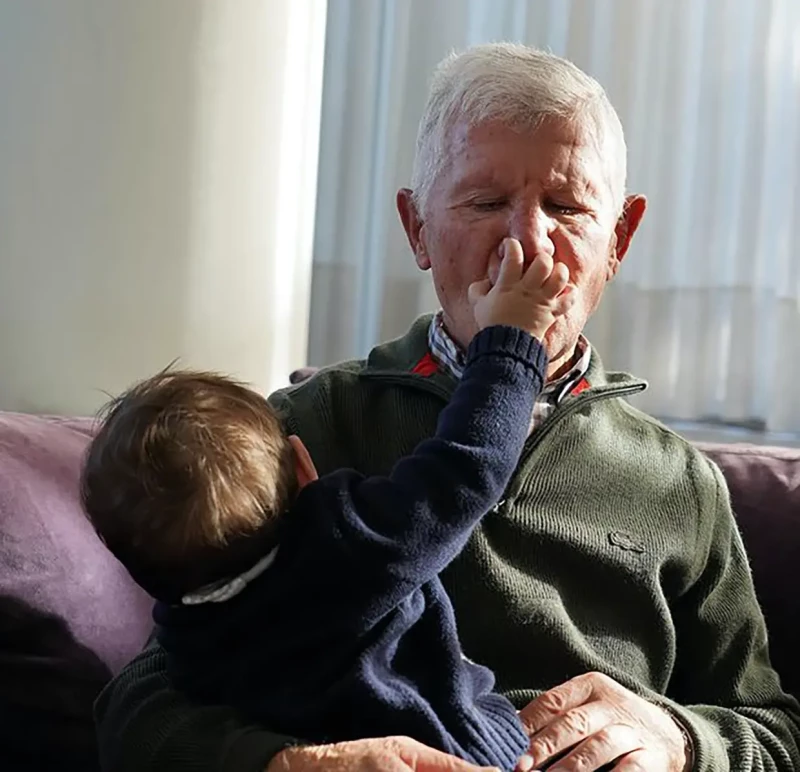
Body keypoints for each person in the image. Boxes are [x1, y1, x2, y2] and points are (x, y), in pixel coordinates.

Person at [95, 43, 800, 772]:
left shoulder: (679, 482)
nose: (527, 240)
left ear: (618, 237)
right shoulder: (305, 430)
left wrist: (680, 741)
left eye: (565, 206)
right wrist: (294, 764)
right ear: (417, 228)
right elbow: (138, 708)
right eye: (486, 203)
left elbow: (773, 732)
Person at [82, 244, 573, 772]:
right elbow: (467, 465)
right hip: (467, 750)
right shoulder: (348, 542)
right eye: (486, 201)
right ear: (302, 464)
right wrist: (511, 343)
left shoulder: (189, 633)